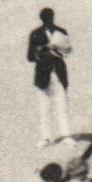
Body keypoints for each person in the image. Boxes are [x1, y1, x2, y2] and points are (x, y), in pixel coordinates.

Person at [26, 8, 73, 147]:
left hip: (58, 72)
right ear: (43, 20)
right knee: (44, 106)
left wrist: (59, 50)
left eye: (50, 18)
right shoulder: (36, 34)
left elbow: (68, 50)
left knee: (61, 104)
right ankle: (45, 137)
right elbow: (30, 56)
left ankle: (66, 135)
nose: (49, 21)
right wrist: (41, 51)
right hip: (43, 73)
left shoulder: (61, 32)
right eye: (46, 19)